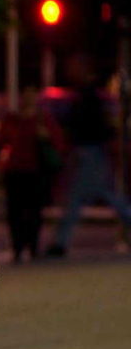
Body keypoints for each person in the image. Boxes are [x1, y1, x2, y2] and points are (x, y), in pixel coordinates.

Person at [47, 54, 131, 257]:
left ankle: (60, 242)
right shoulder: (88, 95)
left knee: (82, 197)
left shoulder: (87, 97)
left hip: (90, 152)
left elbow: (89, 125)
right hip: (91, 152)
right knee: (103, 196)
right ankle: (60, 242)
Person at [0, 87, 63, 263]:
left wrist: (45, 137)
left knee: (34, 211)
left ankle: (32, 246)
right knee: (15, 211)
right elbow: (0, 142)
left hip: (35, 172)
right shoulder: (13, 119)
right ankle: (18, 247)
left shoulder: (43, 120)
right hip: (15, 171)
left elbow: (58, 143)